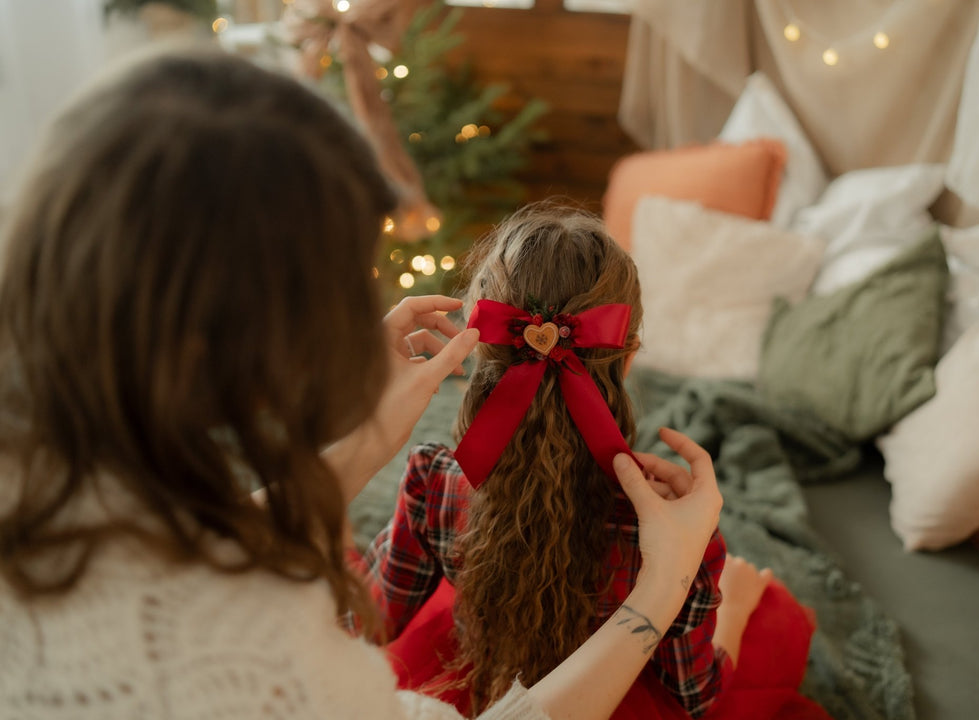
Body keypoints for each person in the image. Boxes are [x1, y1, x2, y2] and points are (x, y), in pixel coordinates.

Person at [0, 48, 724, 720]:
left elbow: (201, 558)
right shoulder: (269, 664)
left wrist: (370, 438)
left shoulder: (429, 489)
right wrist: (665, 585)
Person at [354, 206, 775, 719]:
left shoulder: (431, 485)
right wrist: (735, 605)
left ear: (479, 346)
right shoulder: (673, 533)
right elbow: (696, 694)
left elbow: (368, 624)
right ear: (628, 355)